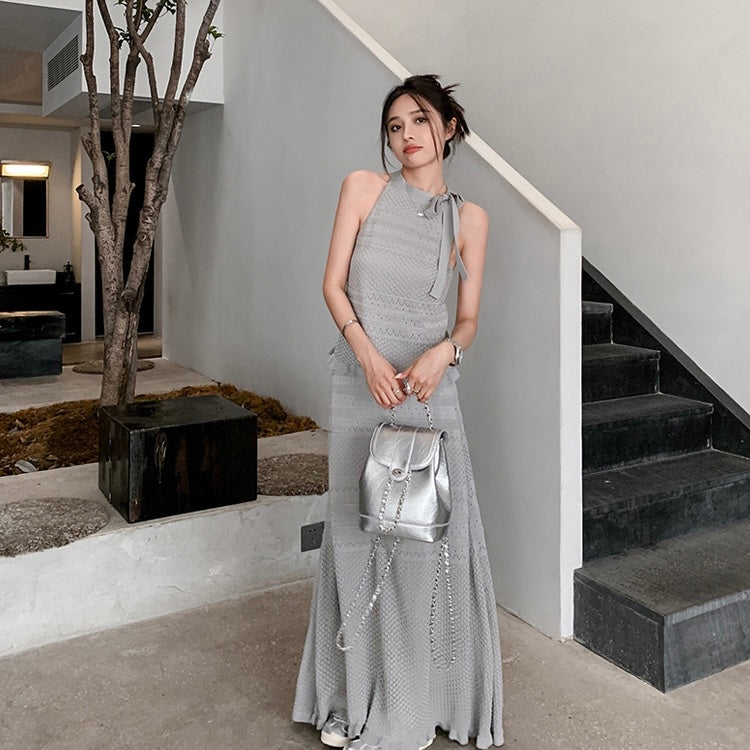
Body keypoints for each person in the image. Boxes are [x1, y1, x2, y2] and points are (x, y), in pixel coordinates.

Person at [293, 74, 504, 750]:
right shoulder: (363, 188)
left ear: (448, 127)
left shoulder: (470, 221)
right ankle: (349, 696)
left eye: (419, 120)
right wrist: (368, 357)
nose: (406, 135)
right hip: (364, 385)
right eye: (394, 125)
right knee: (357, 535)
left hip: (429, 391)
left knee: (427, 543)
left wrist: (445, 351)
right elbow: (332, 285)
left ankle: (426, 696)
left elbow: (467, 320)